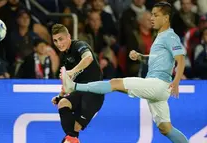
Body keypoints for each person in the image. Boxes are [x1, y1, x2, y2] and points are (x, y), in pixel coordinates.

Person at [60, 2, 189, 143]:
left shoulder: (170, 36)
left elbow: (180, 59)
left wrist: (176, 82)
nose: (152, 18)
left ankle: (74, 86)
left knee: (115, 83)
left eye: (156, 15)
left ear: (166, 18)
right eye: (151, 14)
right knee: (166, 129)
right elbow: (160, 59)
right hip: (157, 87)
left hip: (158, 84)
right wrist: (140, 56)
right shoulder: (161, 36)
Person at [50, 24, 105, 143]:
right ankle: (71, 140)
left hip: (94, 91)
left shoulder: (79, 45)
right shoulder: (64, 56)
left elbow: (88, 58)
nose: (58, 43)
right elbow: (69, 81)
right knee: (63, 103)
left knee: (75, 128)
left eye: (61, 39)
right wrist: (59, 96)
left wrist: (71, 72)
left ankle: (70, 139)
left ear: (68, 36)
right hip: (80, 90)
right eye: (55, 40)